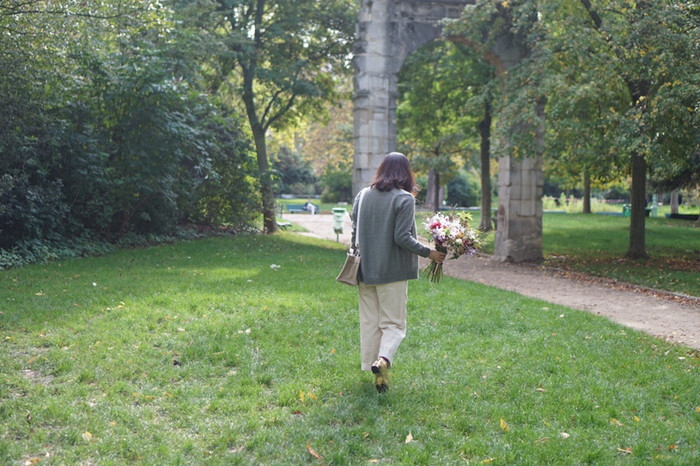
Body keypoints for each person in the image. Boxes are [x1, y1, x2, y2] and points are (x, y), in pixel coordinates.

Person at [350, 152, 446, 393]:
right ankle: (382, 362)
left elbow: (354, 231)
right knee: (393, 324)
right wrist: (429, 253)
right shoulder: (404, 199)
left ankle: (376, 373)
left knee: (370, 323)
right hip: (392, 272)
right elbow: (402, 237)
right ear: (406, 173)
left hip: (364, 270)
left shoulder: (362, 195)